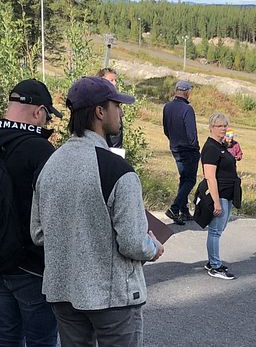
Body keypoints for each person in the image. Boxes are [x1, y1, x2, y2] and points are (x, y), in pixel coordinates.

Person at [30, 76, 164, 347]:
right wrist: (153, 247)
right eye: (117, 105)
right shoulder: (118, 170)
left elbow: (38, 233)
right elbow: (132, 243)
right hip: (112, 297)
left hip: (63, 292)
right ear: (100, 112)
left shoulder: (49, 166)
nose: (121, 113)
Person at [0, 78, 62, 346]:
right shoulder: (38, 148)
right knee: (41, 340)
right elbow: (52, 206)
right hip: (29, 264)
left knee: (7, 336)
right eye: (47, 117)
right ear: (39, 111)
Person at [202, 113, 240, 280]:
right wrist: (216, 202)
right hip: (220, 194)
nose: (223, 128)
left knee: (219, 230)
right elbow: (210, 176)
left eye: (225, 125)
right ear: (211, 128)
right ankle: (215, 266)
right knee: (215, 231)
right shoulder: (211, 148)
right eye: (219, 126)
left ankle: (213, 261)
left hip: (228, 192)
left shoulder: (222, 146)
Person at [162, 80, 200, 225]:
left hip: (175, 147)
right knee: (190, 180)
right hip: (188, 150)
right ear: (187, 92)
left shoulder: (167, 107)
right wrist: (196, 148)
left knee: (184, 178)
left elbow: (166, 129)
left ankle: (183, 211)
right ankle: (174, 208)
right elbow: (192, 133)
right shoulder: (187, 109)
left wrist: (173, 140)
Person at [96, 67, 123, 149]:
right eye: (111, 80)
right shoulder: (94, 102)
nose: (114, 83)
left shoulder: (114, 101)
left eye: (115, 80)